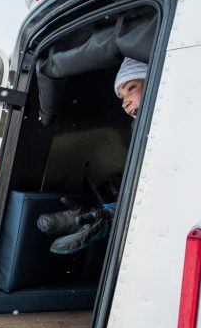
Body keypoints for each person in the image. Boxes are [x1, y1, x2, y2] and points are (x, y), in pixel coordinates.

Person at [36, 57, 149, 253]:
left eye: (131, 88)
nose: (125, 103)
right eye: (121, 97)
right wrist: (106, 217)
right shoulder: (142, 133)